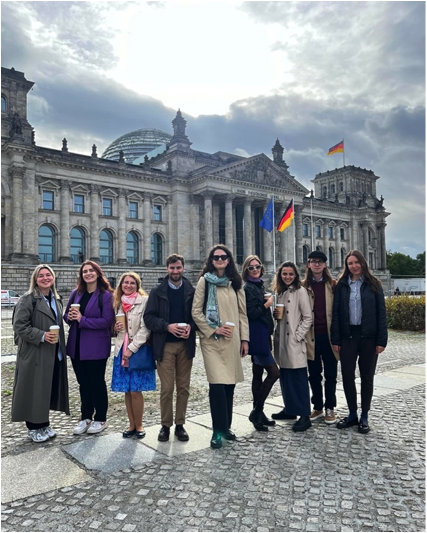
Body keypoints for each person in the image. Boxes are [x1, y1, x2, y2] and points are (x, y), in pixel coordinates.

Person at [192, 245, 249, 449]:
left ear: (229, 259)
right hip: (212, 342)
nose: (219, 259)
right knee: (216, 386)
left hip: (232, 340)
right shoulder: (204, 281)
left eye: (223, 257)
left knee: (229, 386)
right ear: (211, 260)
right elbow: (196, 312)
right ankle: (216, 432)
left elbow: (243, 314)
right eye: (216, 257)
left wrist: (245, 340)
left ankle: (226, 427)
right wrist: (213, 329)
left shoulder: (236, 283)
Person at [11, 265, 70, 442]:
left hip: (52, 353)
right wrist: (42, 335)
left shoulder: (56, 299)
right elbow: (19, 326)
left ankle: (43, 423)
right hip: (34, 353)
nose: (45, 278)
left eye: (48, 275)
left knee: (45, 389)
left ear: (53, 277)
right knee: (32, 389)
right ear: (35, 280)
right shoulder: (28, 299)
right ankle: (33, 427)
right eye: (41, 276)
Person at [331, 250, 387, 434]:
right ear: (346, 266)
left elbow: (381, 314)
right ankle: (352, 413)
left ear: (363, 263)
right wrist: (336, 338)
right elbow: (337, 314)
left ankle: (364, 415)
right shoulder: (342, 285)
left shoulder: (374, 284)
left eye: (356, 262)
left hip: (369, 337)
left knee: (367, 377)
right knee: (347, 375)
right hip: (348, 336)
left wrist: (381, 340)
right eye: (350, 263)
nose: (353, 266)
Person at [144, 254, 196, 442]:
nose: (175, 271)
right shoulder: (157, 291)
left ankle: (180, 425)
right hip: (164, 345)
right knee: (167, 388)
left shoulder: (192, 290)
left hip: (185, 345)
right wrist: (167, 326)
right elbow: (148, 318)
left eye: (178, 268)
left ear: (183, 268)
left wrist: (191, 326)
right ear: (167, 269)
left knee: (183, 387)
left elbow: (197, 316)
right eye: (172, 268)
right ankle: (165, 425)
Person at [64, 260, 115, 435]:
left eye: (91, 270)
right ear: (81, 275)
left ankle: (100, 418)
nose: (88, 273)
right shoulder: (76, 293)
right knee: (83, 384)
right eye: (85, 271)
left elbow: (107, 321)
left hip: (96, 346)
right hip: (76, 346)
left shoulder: (106, 295)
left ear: (98, 273)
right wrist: (70, 316)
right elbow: (67, 316)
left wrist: (81, 320)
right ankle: (86, 417)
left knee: (97, 383)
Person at [111, 272, 155, 439]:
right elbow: (118, 329)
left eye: (132, 283)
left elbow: (146, 328)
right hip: (121, 350)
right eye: (125, 283)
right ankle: (131, 424)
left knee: (136, 390)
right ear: (120, 285)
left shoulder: (144, 301)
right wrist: (115, 329)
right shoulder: (117, 303)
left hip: (137, 350)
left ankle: (139, 424)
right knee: (127, 391)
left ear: (137, 286)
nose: (128, 285)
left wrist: (132, 348)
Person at [272, 261, 313, 432]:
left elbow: (307, 317)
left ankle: (304, 415)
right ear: (280, 276)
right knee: (286, 378)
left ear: (296, 276)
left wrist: (297, 336)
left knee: (299, 380)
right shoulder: (279, 292)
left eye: (290, 274)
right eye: (284, 274)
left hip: (294, 343)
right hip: (282, 342)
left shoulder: (300, 291)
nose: (287, 277)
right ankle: (290, 409)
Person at [242, 255, 279, 431]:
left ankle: (259, 414)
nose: (255, 269)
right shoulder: (248, 287)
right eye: (251, 268)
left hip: (263, 334)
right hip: (256, 334)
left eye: (257, 266)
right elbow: (252, 313)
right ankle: (257, 411)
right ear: (246, 270)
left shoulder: (259, 285)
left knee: (257, 373)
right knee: (274, 373)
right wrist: (268, 304)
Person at [302, 250, 339, 425]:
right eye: (313, 261)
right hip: (311, 337)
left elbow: (339, 313)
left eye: (320, 261)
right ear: (308, 264)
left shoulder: (333, 285)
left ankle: (330, 406)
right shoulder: (302, 287)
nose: (316, 264)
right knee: (314, 374)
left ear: (325, 264)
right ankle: (317, 406)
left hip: (329, 337)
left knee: (331, 374)